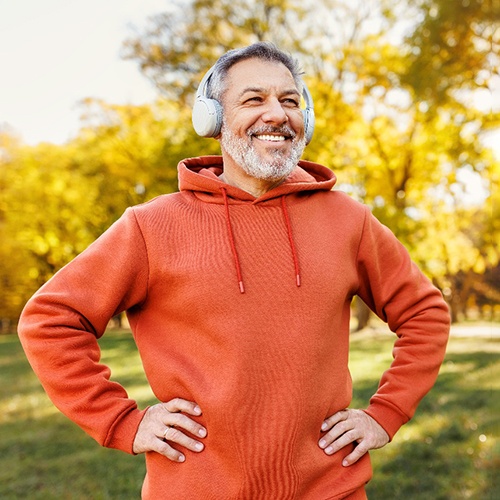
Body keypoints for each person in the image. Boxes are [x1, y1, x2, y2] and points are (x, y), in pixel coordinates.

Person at [18, 42, 450, 499]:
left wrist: (386, 413)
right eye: (253, 99)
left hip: (333, 491)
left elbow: (425, 313)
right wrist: (122, 421)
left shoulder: (350, 220)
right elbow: (50, 320)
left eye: (289, 100)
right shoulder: (149, 226)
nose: (277, 115)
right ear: (213, 119)